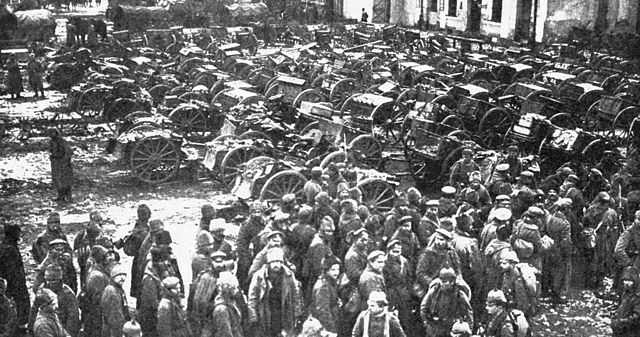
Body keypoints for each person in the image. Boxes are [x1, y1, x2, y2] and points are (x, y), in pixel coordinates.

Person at [247, 247, 303, 337]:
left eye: (279, 262)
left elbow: (296, 294)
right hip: (266, 310)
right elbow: (252, 297)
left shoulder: (288, 275)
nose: (276, 264)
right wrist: (253, 317)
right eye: (273, 262)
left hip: (284, 310)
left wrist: (297, 313)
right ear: (268, 263)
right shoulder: (259, 276)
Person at [420, 268, 473, 337]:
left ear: (452, 282)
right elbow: (423, 308)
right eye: (442, 281)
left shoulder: (459, 293)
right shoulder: (434, 291)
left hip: (453, 326)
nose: (443, 284)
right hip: (436, 325)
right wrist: (427, 324)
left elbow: (468, 311)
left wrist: (469, 329)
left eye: (446, 281)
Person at [30, 266, 80, 337]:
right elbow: (34, 309)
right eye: (47, 280)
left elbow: (73, 320)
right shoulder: (42, 289)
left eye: (53, 281)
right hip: (45, 326)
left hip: (61, 328)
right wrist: (30, 329)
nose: (49, 284)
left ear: (60, 280)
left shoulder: (68, 294)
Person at [0, 223, 30, 329]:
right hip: (15, 283)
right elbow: (12, 271)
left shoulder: (8, 245)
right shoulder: (9, 249)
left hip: (13, 282)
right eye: (18, 232)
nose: (19, 234)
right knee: (19, 305)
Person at [139, 248, 169, 337]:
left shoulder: (158, 269)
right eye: (162, 261)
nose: (164, 263)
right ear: (156, 261)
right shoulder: (149, 279)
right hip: (151, 316)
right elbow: (152, 302)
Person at [205, 272, 245, 337]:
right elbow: (225, 334)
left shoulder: (229, 304)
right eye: (235, 288)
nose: (237, 290)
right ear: (229, 288)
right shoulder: (222, 310)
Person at [311, 255, 341, 335]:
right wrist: (331, 330)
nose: (336, 272)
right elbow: (323, 310)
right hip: (326, 326)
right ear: (326, 270)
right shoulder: (323, 286)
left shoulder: (331, 282)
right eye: (333, 270)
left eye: (338, 269)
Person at [101, 263, 131, 337]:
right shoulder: (112, 292)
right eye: (119, 275)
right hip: (113, 330)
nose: (122, 278)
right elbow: (115, 318)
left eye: (124, 275)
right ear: (113, 276)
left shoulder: (118, 289)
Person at [611, 266, 640, 337]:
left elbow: (636, 317)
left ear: (635, 281)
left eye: (630, 281)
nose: (626, 283)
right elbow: (621, 307)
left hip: (631, 331)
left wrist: (620, 322)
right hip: (620, 329)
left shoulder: (637, 297)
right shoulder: (625, 293)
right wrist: (615, 315)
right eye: (625, 280)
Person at [48, 128, 74, 203]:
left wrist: (65, 161)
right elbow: (51, 151)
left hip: (63, 164)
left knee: (65, 181)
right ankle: (61, 197)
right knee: (58, 181)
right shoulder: (52, 142)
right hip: (56, 164)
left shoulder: (62, 142)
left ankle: (68, 198)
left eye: (53, 133)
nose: (51, 135)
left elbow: (69, 152)